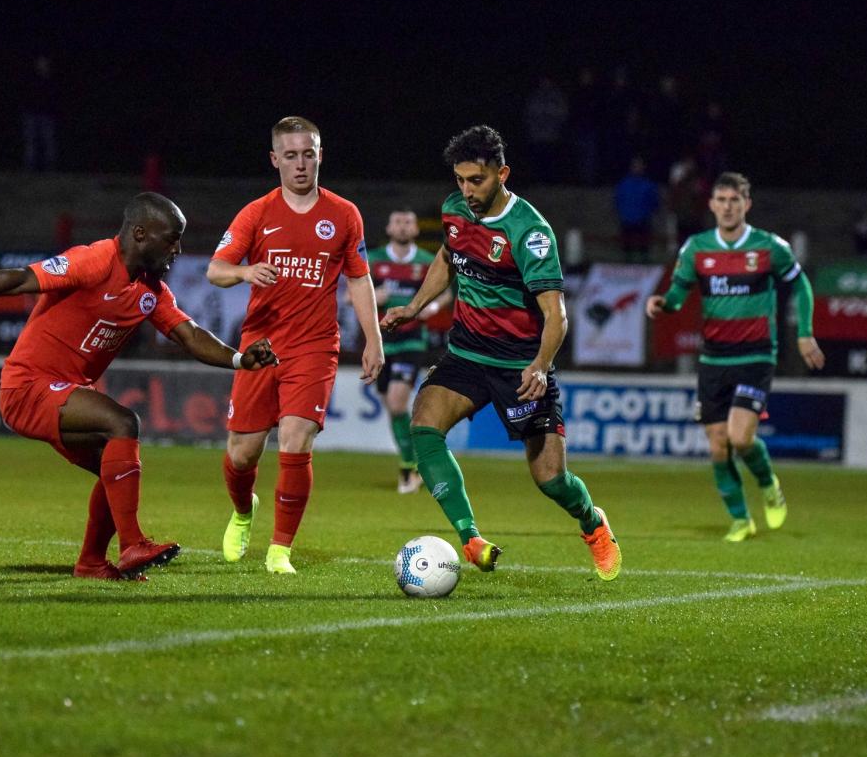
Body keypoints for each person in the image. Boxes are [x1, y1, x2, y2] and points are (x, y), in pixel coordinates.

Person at [0, 193, 279, 579]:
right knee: (123, 423)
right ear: (140, 234)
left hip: (66, 391)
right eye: (171, 239)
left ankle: (92, 562)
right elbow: (23, 278)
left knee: (116, 472)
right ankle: (132, 544)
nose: (177, 250)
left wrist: (239, 360)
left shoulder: (151, 291)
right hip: (28, 386)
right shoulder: (94, 261)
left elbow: (190, 335)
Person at [381, 125, 621, 581]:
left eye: (477, 180)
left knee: (551, 480)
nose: (467, 191)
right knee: (424, 427)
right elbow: (448, 258)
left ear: (502, 174)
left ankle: (593, 522)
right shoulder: (455, 210)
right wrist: (414, 306)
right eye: (460, 180)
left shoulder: (529, 232)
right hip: (467, 353)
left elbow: (556, 314)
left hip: (520, 366)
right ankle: (470, 539)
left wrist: (541, 366)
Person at [207, 116, 383, 575]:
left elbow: (359, 278)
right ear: (275, 160)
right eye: (291, 156)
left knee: (296, 438)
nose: (301, 164)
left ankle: (279, 550)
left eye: (308, 154)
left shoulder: (344, 214)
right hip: (261, 347)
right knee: (242, 453)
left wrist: (373, 339)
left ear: (320, 155)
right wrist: (246, 271)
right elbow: (215, 270)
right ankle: (243, 512)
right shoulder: (256, 213)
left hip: (315, 346)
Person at [645, 172, 824, 542]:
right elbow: (678, 294)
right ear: (712, 205)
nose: (728, 207)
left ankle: (768, 483)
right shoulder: (696, 248)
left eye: (735, 200)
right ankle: (741, 520)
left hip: (756, 355)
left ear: (747, 204)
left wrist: (805, 333)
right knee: (718, 444)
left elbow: (801, 285)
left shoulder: (769, 247)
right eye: (722, 200)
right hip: (713, 359)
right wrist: (664, 304)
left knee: (740, 438)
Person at [367, 207, 451, 494]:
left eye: (408, 222)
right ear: (389, 228)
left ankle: (408, 467)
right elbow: (351, 293)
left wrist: (433, 307)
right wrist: (371, 296)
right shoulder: (373, 260)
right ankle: (412, 463)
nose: (402, 226)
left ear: (415, 229)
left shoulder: (427, 261)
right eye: (397, 222)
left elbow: (447, 290)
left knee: (397, 403)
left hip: (412, 340)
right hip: (380, 342)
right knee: (393, 409)